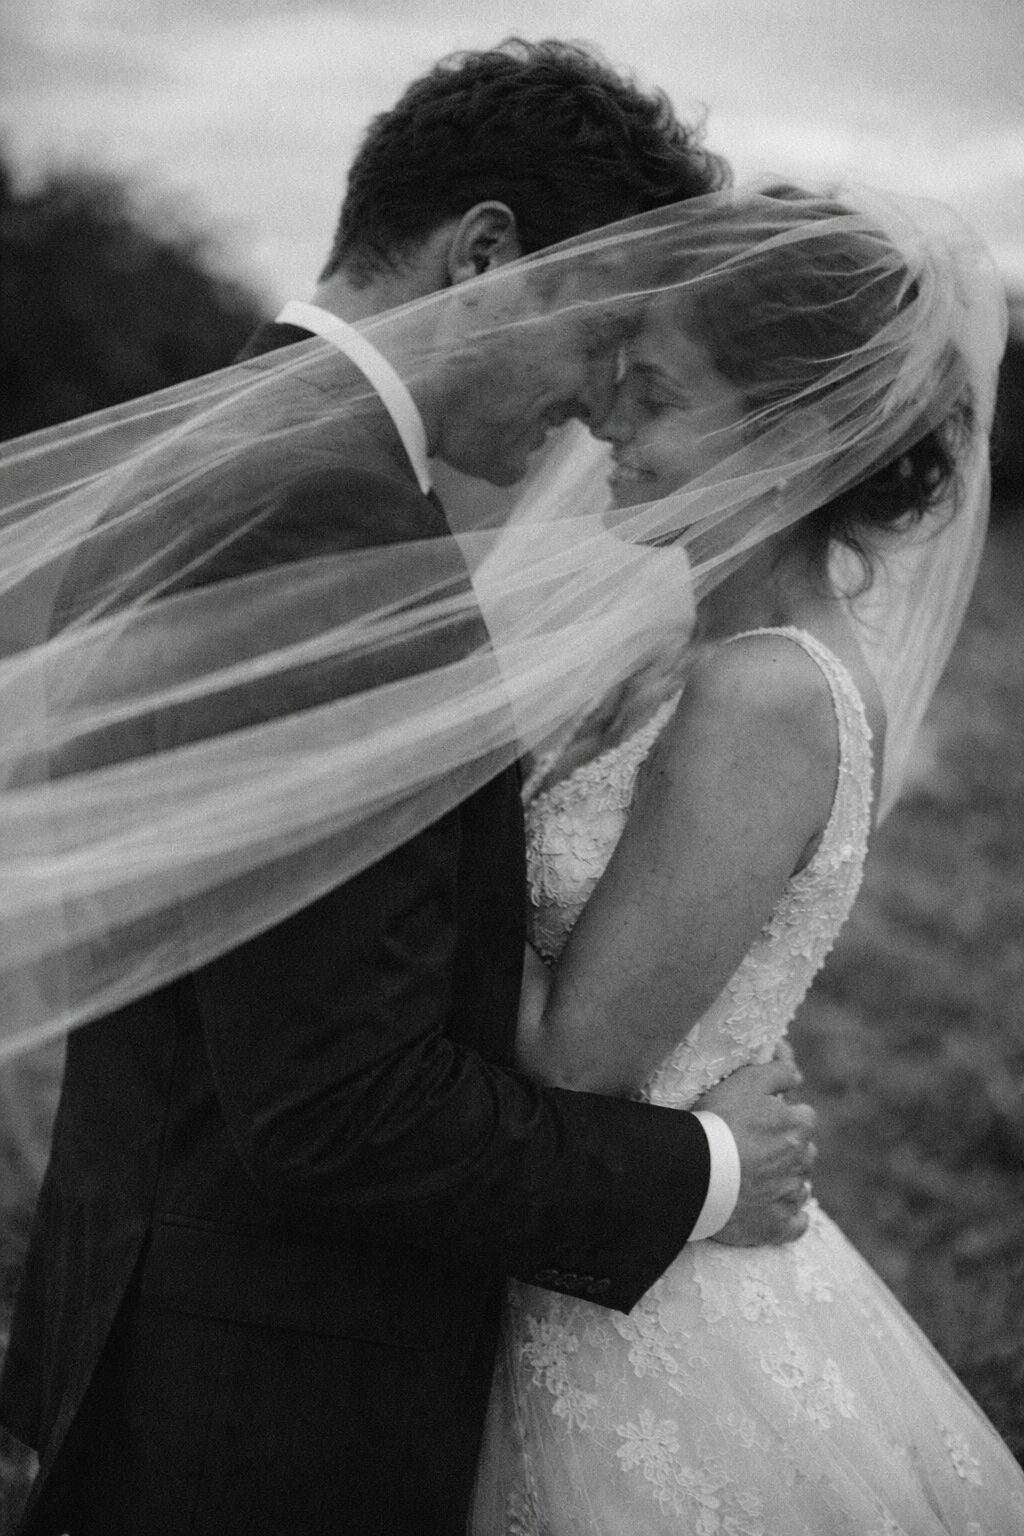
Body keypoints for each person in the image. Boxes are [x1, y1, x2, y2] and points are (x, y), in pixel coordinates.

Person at [0, 45, 818, 1536]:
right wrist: (703, 1169)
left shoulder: (236, 437)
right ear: (489, 250)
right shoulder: (324, 521)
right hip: (250, 1408)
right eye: (601, 345)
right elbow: (334, 1109)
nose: (590, 419)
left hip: (156, 1309)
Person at [470, 191, 1024, 1532]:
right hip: (580, 1236)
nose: (607, 429)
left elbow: (584, 1057)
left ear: (791, 442)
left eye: (653, 397)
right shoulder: (690, 649)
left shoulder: (766, 695)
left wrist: (398, 876)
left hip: (639, 1304)